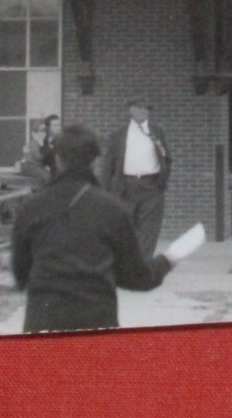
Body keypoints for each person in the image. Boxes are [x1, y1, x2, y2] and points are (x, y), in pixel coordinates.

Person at [11, 123, 176, 333]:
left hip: (44, 321)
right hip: (95, 319)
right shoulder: (111, 209)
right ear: (93, 160)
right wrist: (169, 259)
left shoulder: (31, 207)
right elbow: (136, 277)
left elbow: (20, 275)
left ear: (58, 159)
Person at [100, 96, 173, 259]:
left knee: (149, 229)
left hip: (151, 187)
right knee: (125, 226)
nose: (142, 111)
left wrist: (162, 182)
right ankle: (126, 261)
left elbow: (166, 157)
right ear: (130, 110)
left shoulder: (156, 132)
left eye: (146, 108)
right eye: (138, 107)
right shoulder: (118, 135)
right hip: (126, 187)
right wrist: (105, 191)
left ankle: (142, 263)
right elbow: (108, 166)